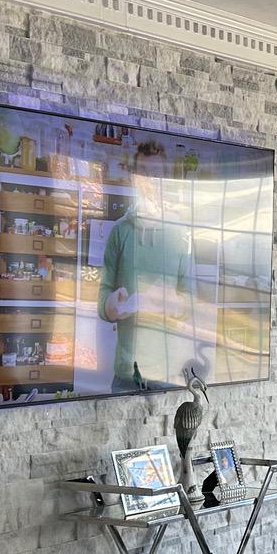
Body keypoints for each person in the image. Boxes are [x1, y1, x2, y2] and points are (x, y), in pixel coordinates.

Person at [99, 163, 197, 389]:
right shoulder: (120, 231)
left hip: (169, 373)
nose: (150, 185)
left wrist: (176, 303)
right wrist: (110, 306)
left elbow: (190, 300)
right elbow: (103, 294)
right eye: (144, 178)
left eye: (156, 177)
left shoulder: (181, 234)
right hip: (126, 374)